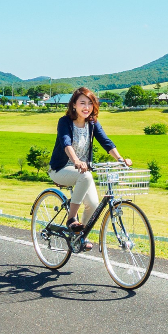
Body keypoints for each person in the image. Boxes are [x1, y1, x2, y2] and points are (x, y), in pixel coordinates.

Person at [49, 87, 130, 250]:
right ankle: (72, 218)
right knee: (86, 177)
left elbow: (106, 142)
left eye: (90, 104)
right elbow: (66, 143)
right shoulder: (64, 122)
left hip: (82, 171)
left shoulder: (92, 123)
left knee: (93, 205)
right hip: (61, 169)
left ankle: (78, 236)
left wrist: (120, 159)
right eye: (82, 103)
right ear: (74, 105)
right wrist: (77, 161)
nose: (86, 107)